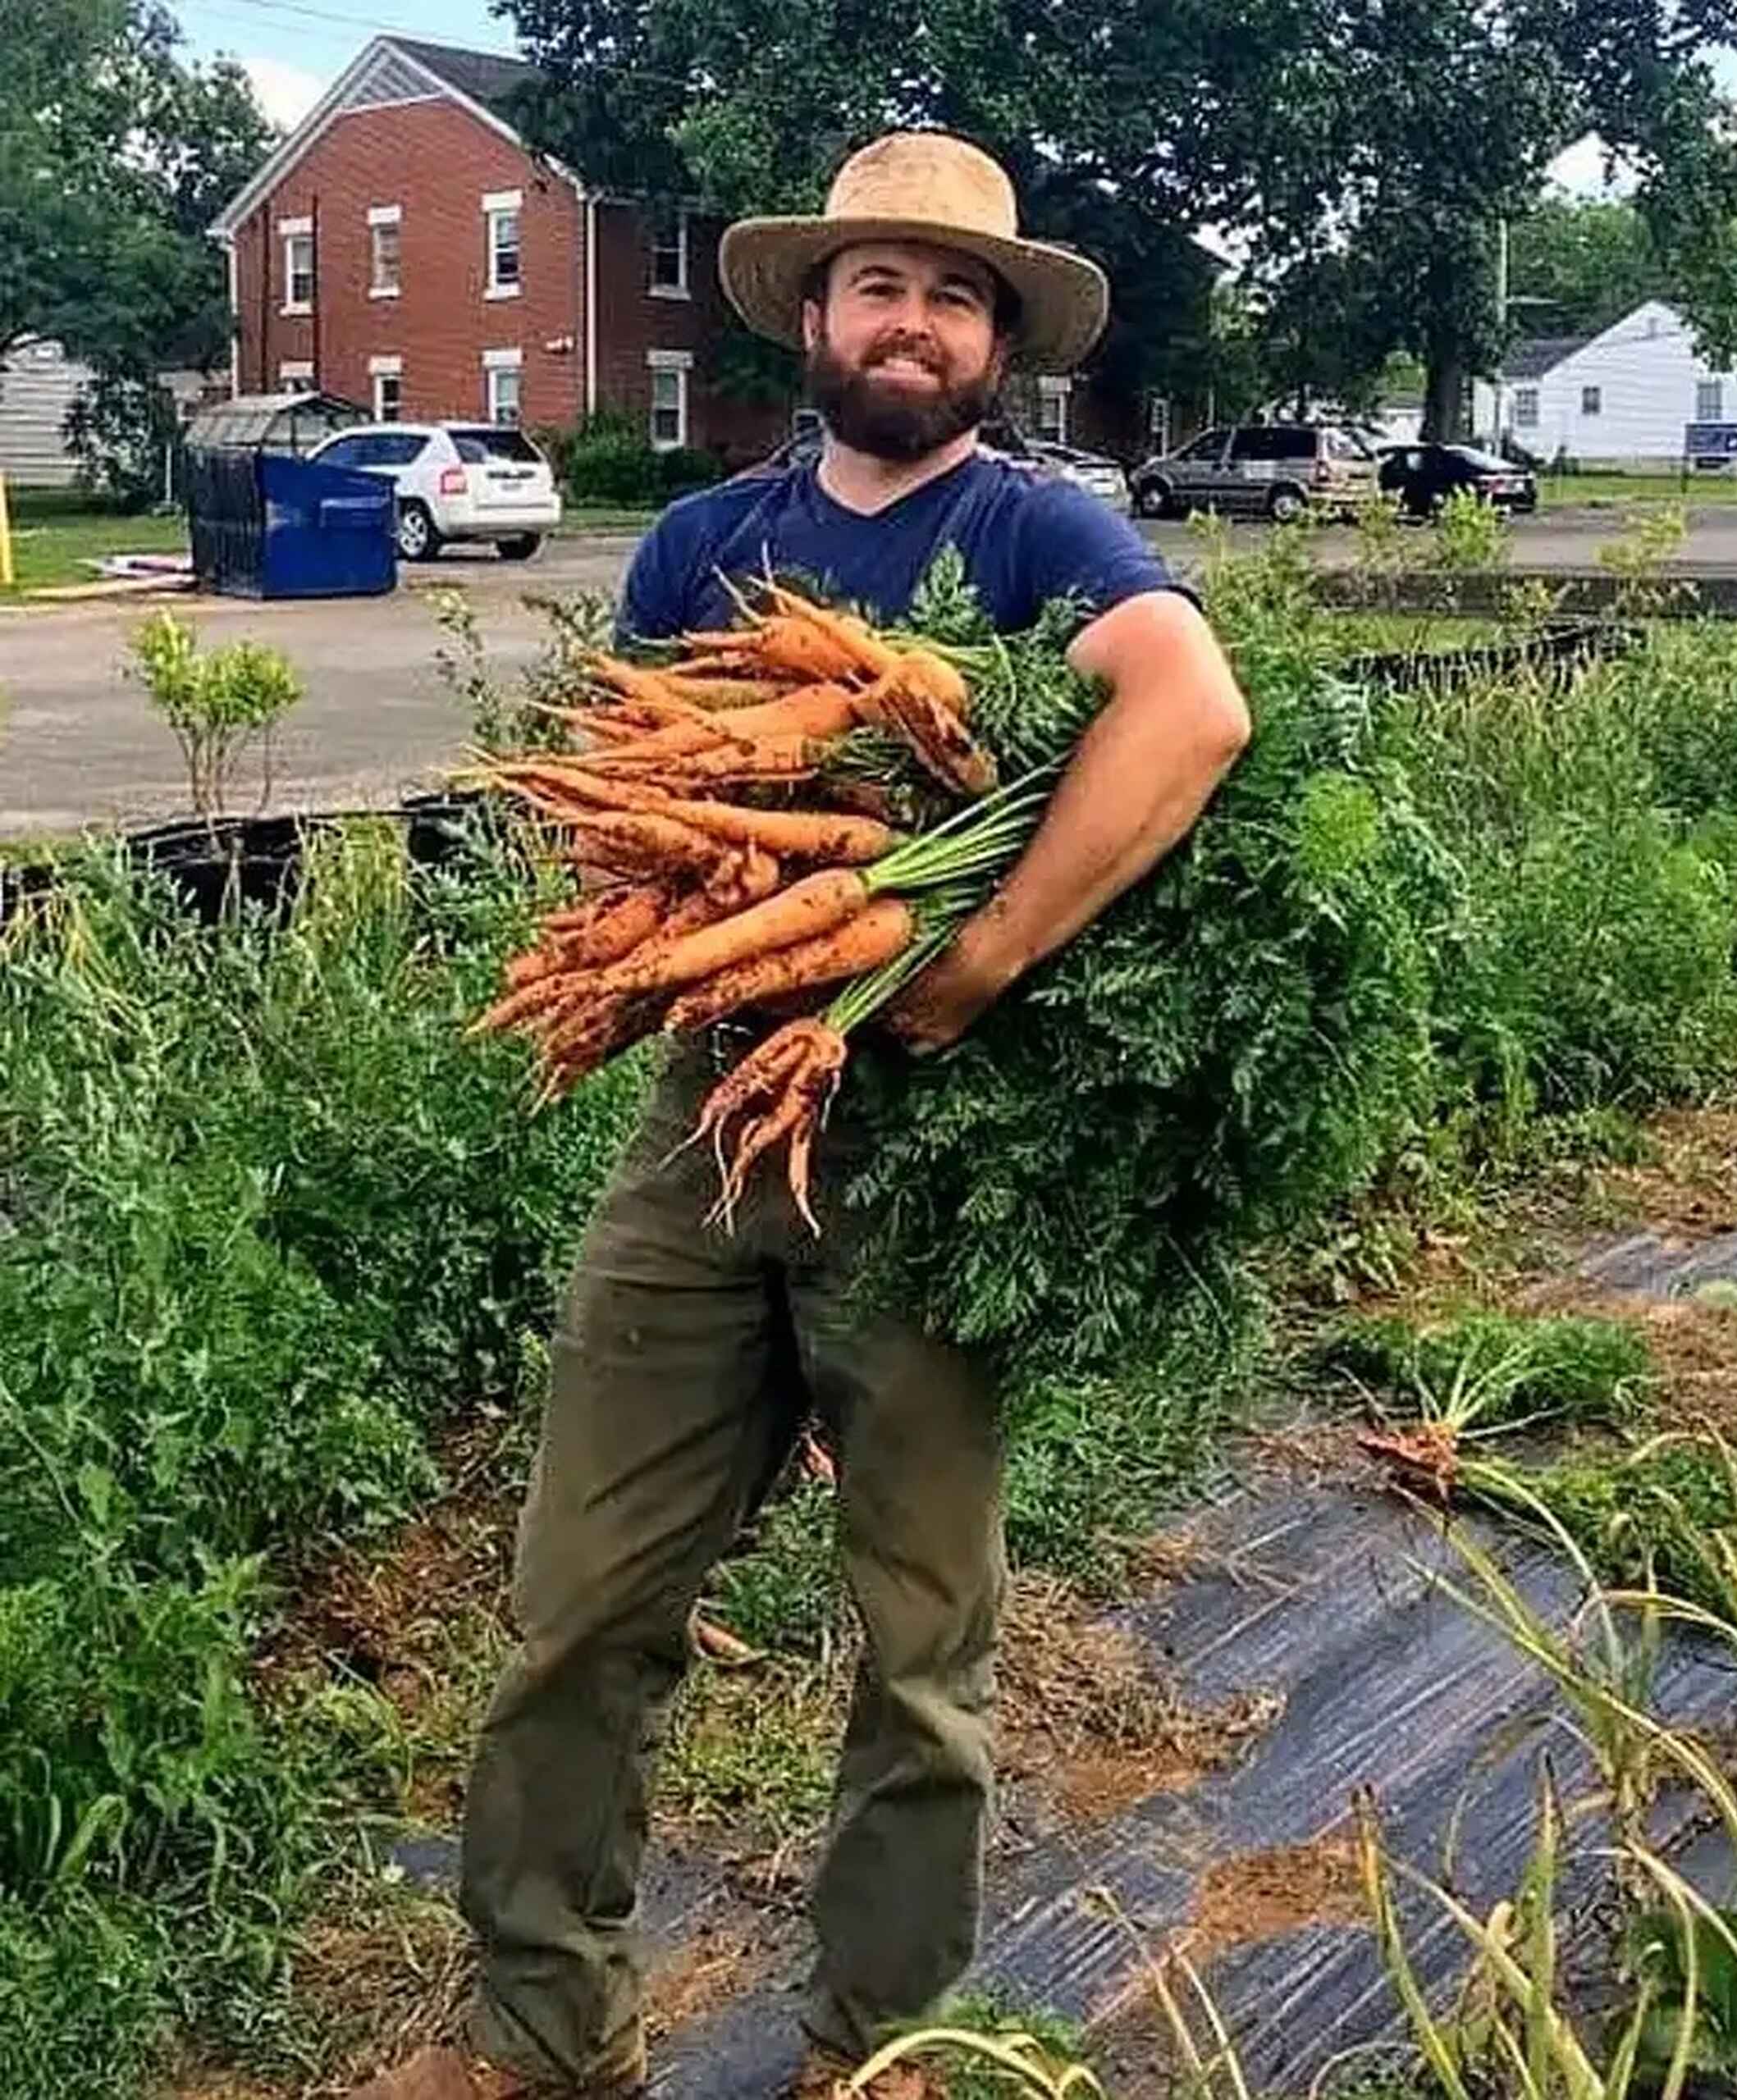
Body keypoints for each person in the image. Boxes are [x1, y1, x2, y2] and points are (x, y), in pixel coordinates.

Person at [351, 130, 1250, 2100]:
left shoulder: (1034, 540)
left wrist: (968, 955)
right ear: (817, 317)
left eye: (950, 293)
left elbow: (1191, 711)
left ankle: (880, 2042)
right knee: (578, 1602)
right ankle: (544, 2027)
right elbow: (638, 826)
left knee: (920, 1648)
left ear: (993, 339)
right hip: (706, 1114)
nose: (908, 320)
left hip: (923, 1127)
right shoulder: (696, 548)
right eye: (877, 284)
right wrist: (666, 926)